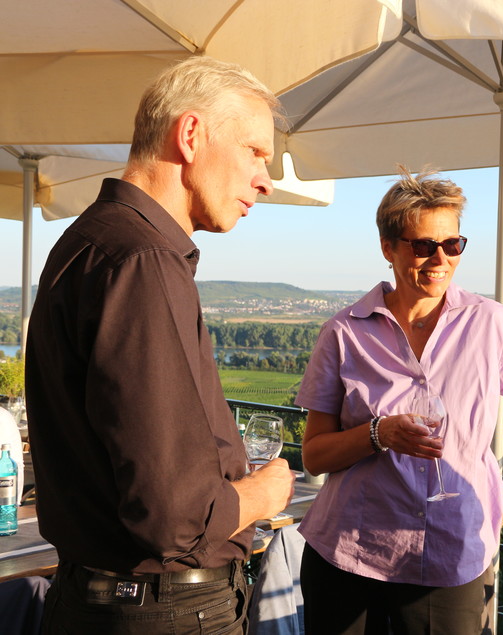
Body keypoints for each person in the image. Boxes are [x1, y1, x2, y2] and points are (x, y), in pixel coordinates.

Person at [25, 57, 296, 634]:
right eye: (255, 151)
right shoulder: (144, 261)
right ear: (191, 135)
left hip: (94, 599)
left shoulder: (85, 242)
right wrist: (262, 494)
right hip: (163, 610)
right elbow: (175, 515)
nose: (265, 180)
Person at [295, 167, 503, 634]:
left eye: (452, 245)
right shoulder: (344, 332)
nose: (440, 259)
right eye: (424, 246)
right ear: (388, 248)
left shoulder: (488, 323)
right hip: (349, 552)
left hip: (449, 553)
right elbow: (314, 454)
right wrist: (379, 433)